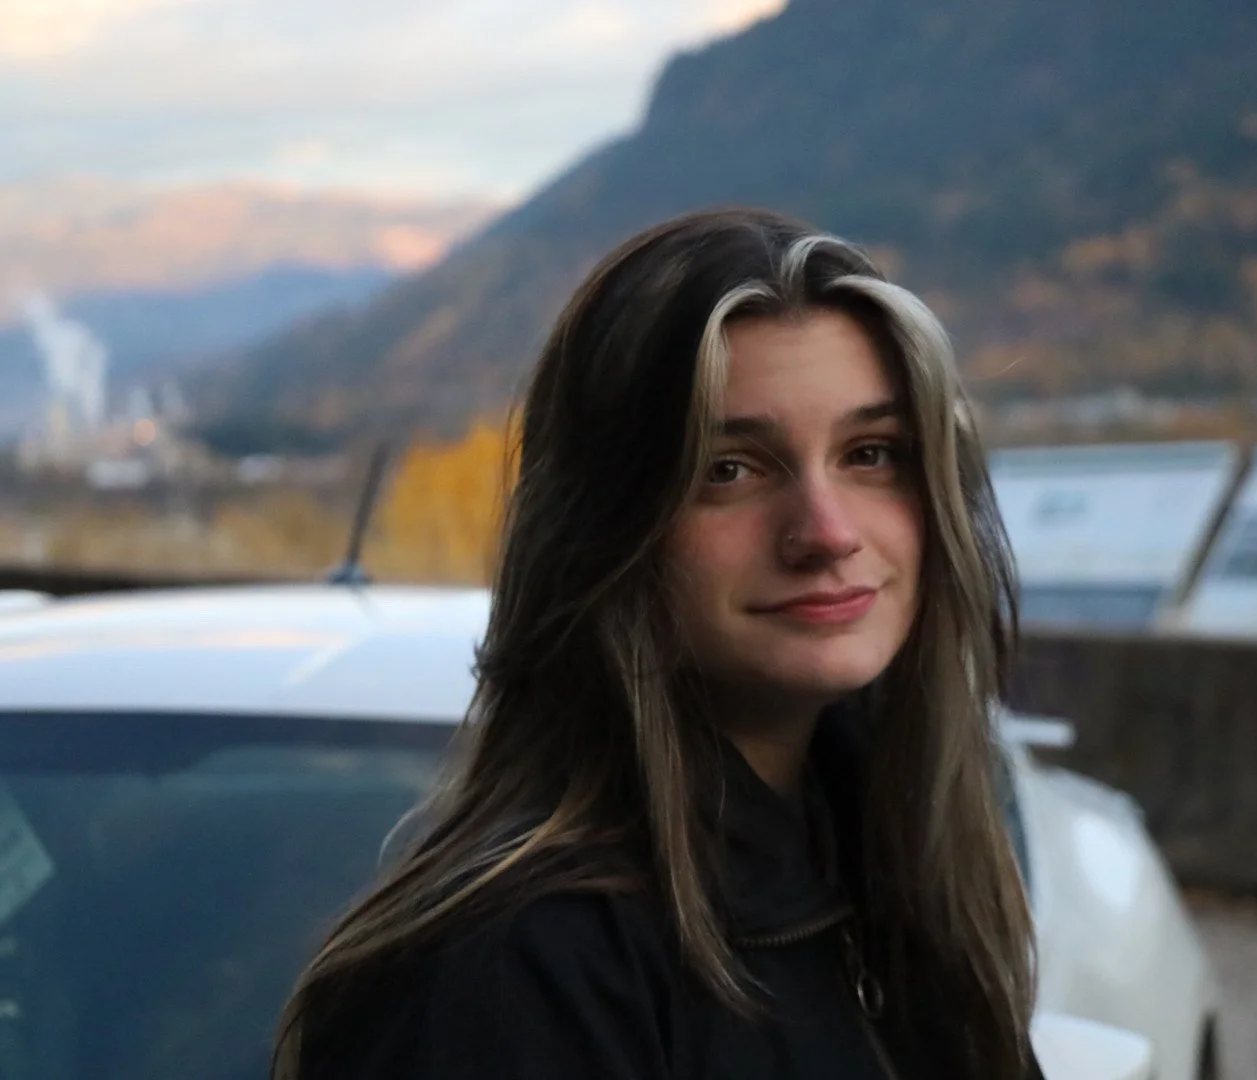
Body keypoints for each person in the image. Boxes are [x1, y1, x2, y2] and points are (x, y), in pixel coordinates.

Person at [274, 208, 1041, 1080]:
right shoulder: (522, 976)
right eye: (730, 469)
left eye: (871, 453)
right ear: (606, 534)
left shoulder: (901, 893)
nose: (826, 532)